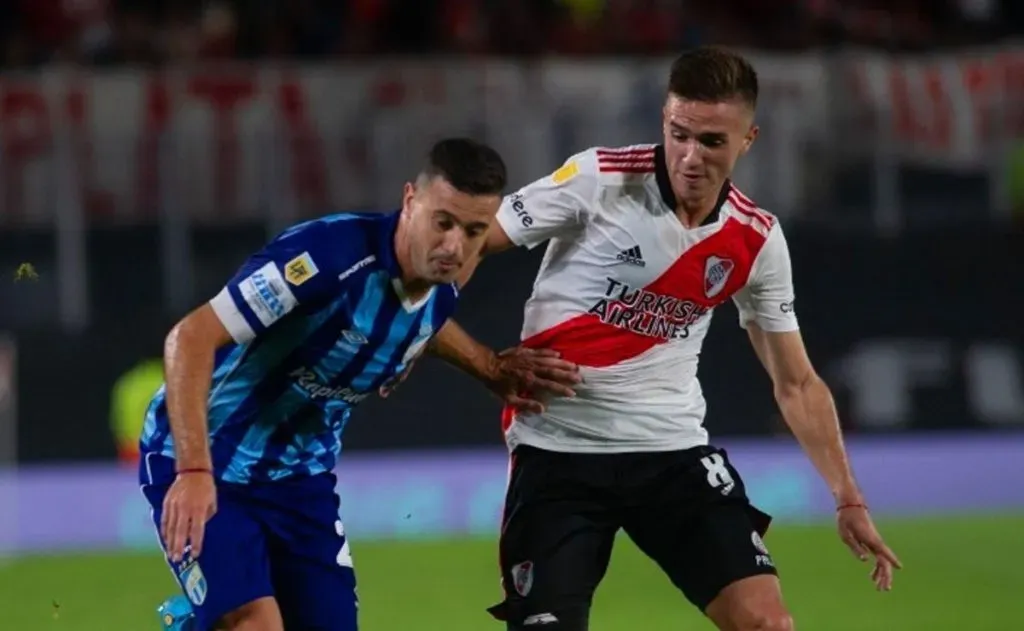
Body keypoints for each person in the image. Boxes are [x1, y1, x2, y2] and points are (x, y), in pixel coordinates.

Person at [428, 47, 903, 631]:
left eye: (711, 141)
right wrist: (455, 349)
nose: (690, 156)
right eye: (679, 134)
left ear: (748, 139)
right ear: (663, 121)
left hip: (671, 453)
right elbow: (463, 247)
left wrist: (847, 497)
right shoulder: (599, 179)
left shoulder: (755, 239)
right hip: (558, 456)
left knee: (768, 624)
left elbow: (796, 382)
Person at [140, 138, 578, 631]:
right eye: (443, 222)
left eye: (474, 231)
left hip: (301, 479)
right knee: (254, 623)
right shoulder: (325, 259)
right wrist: (194, 471)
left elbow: (422, 321)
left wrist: (490, 369)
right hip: (210, 461)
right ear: (410, 201)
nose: (455, 246)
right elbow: (190, 338)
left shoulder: (451, 272)